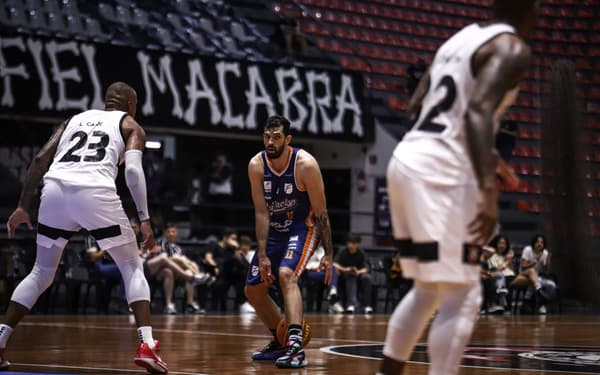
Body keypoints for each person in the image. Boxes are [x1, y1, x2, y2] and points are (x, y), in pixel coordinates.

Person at [380, 1, 538, 374]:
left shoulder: (461, 38)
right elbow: (477, 112)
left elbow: (420, 102)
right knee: (464, 294)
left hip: (407, 159)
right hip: (441, 173)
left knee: (429, 290)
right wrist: (488, 190)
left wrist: (490, 160)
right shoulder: (512, 47)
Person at [1, 82, 168, 373]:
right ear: (131, 104)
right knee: (131, 266)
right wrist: (144, 218)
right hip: (95, 192)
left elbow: (40, 160)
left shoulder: (73, 120)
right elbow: (131, 170)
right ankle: (147, 345)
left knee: (41, 272)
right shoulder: (130, 124)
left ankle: (1, 337)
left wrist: (22, 206)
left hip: (54, 191)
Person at [245, 115, 333, 368]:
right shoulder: (256, 165)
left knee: (286, 274)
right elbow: (261, 212)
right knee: (253, 289)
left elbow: (322, 213)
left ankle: (296, 347)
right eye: (266, 136)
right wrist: (261, 254)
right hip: (274, 229)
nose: (270, 142)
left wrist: (329, 253)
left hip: (302, 227)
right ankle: (280, 340)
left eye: (276, 137)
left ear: (288, 139)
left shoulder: (305, 164)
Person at [510, 234, 552, 314]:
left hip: (535, 278)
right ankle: (539, 292)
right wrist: (533, 263)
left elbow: (547, 272)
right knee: (531, 271)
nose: (539, 244)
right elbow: (523, 266)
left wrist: (548, 261)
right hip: (523, 273)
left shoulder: (545, 253)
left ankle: (526, 301)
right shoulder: (528, 249)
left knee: (532, 279)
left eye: (542, 242)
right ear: (534, 243)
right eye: (537, 242)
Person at [333, 234, 373, 314]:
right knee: (351, 276)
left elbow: (366, 268)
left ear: (358, 244)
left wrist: (358, 272)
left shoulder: (361, 253)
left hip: (358, 273)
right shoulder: (342, 251)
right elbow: (334, 263)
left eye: (353, 243)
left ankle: (366, 305)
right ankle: (351, 304)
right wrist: (345, 269)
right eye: (349, 243)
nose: (351, 245)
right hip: (344, 274)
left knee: (367, 278)